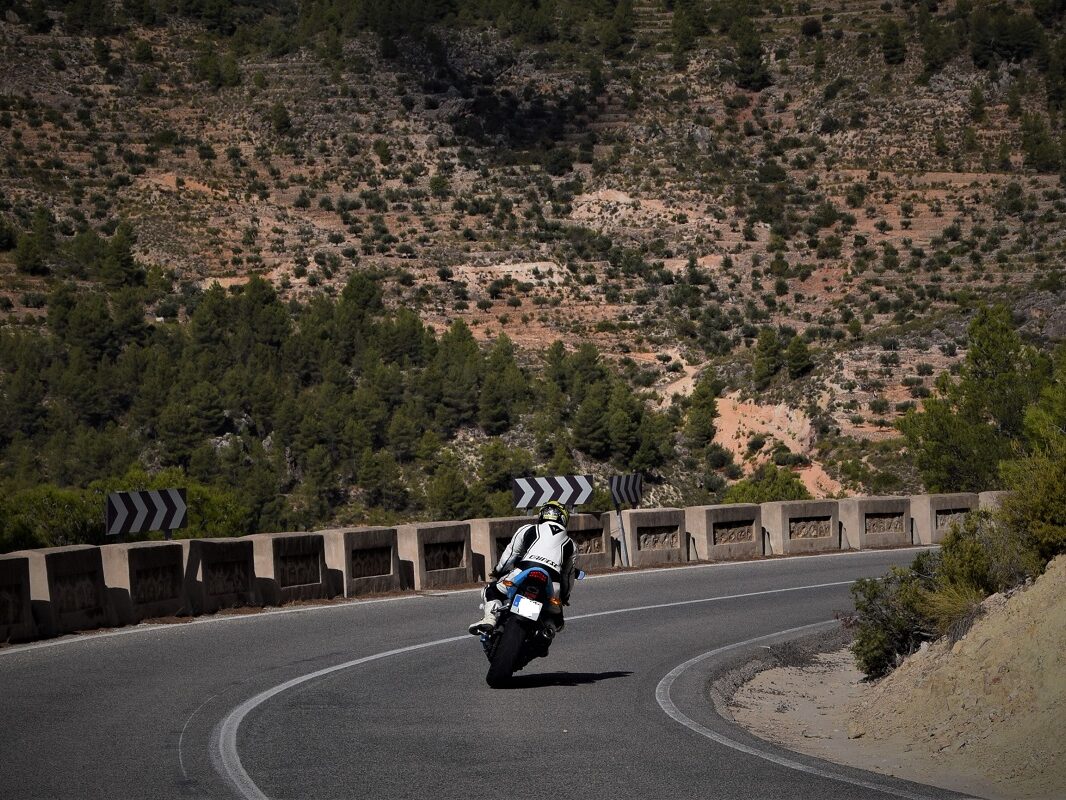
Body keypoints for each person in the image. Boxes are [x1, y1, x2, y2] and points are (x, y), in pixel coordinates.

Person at [467, 500, 576, 636]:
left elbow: (510, 556)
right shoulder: (571, 544)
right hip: (552, 583)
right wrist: (564, 596)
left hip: (524, 570)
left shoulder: (527, 529)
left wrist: (498, 571)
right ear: (564, 518)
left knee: (491, 590)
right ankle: (546, 631)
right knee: (556, 615)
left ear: (542, 514)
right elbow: (568, 575)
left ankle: (490, 619)